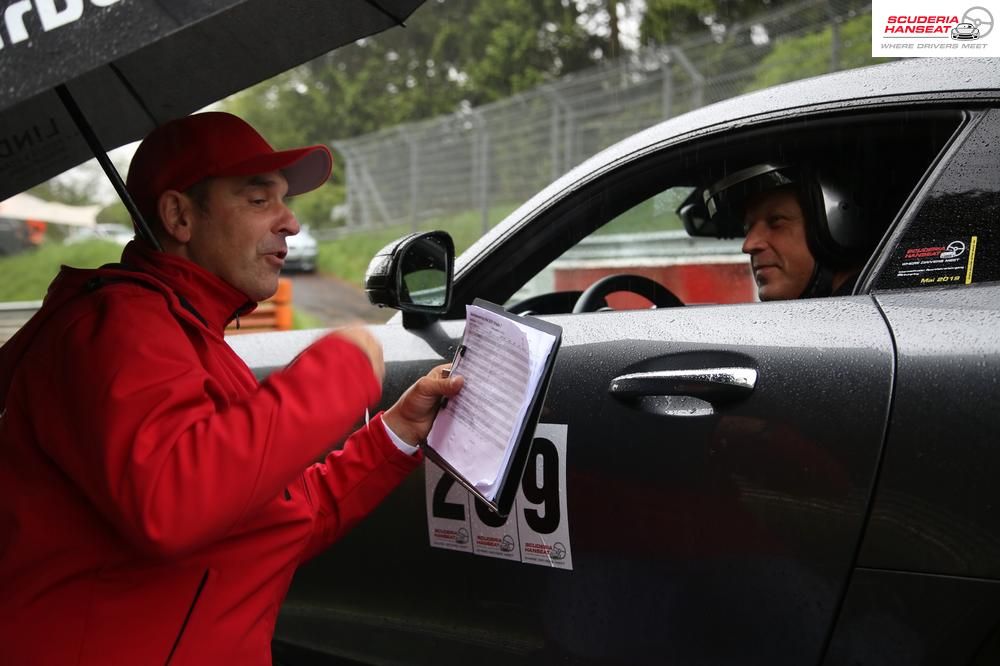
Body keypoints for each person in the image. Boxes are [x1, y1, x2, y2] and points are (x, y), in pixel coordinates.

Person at [0, 112, 462, 665]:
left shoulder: (182, 331)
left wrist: (395, 436)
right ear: (178, 216)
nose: (290, 222)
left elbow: (272, 520)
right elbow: (174, 505)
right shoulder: (121, 327)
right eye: (258, 200)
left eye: (284, 200)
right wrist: (340, 367)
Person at [702, 163, 868, 300]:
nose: (748, 245)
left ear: (837, 229)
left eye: (775, 222)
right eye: (748, 228)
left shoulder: (863, 325)